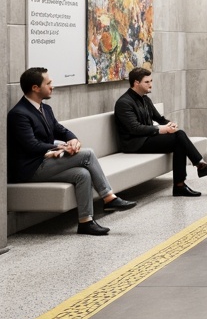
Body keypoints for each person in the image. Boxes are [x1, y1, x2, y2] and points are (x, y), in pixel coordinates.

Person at [8, 67, 136, 234]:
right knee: (88, 154)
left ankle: (85, 221)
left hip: (45, 162)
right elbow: (31, 145)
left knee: (82, 174)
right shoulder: (19, 113)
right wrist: (59, 147)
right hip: (31, 168)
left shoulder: (45, 109)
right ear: (35, 88)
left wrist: (73, 139)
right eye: (48, 83)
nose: (52, 86)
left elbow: (60, 129)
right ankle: (109, 197)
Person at [114, 67, 207, 198]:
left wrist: (169, 124)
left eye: (151, 81)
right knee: (179, 136)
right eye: (147, 82)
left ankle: (181, 184)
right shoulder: (124, 103)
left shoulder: (145, 99)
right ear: (136, 83)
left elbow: (159, 119)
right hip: (134, 143)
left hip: (146, 138)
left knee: (179, 139)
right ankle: (198, 168)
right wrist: (161, 129)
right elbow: (135, 129)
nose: (150, 85)